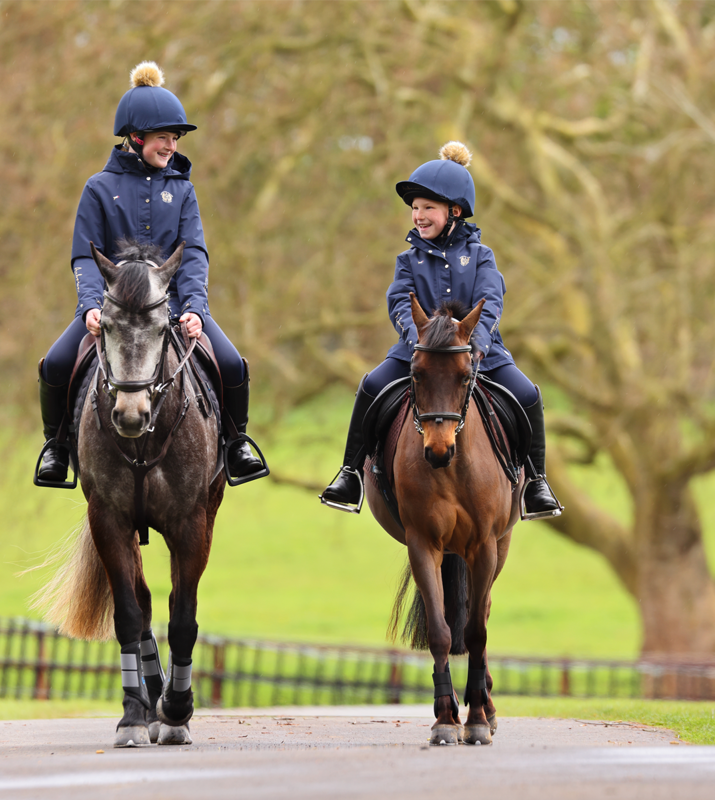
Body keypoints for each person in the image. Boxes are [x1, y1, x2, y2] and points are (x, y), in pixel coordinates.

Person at [37, 61, 266, 484]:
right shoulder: (98, 188)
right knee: (55, 365)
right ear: (136, 137)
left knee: (233, 366)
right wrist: (89, 306)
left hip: (172, 306)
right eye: (164, 138)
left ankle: (236, 445)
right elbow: (85, 256)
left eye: (175, 139)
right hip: (113, 310)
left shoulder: (182, 190)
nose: (171, 147)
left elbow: (194, 254)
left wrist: (195, 308)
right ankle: (56, 447)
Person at [320, 141, 562, 520]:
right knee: (370, 386)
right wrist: (416, 338)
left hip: (479, 353)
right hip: (418, 352)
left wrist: (477, 343)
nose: (418, 215)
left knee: (528, 394)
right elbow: (399, 302)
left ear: (454, 211)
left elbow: (490, 302)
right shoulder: (407, 260)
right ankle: (350, 472)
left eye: (427, 208)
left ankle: (536, 481)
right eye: (415, 208)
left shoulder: (481, 256)